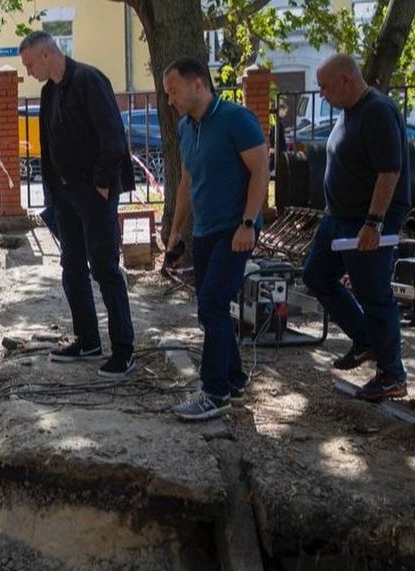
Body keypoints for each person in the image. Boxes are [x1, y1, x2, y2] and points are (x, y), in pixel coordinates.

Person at [19, 30, 137, 378]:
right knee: (72, 268)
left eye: (29, 64)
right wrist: (53, 197)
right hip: (66, 196)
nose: (28, 72)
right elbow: (50, 148)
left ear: (45, 55)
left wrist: (102, 184)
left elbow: (113, 137)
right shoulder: (49, 92)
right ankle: (88, 340)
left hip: (94, 193)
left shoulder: (88, 80)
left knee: (104, 269)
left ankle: (124, 350)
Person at [162, 57, 269, 421]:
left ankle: (214, 392)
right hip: (203, 232)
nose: (170, 99)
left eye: (173, 91)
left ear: (197, 85)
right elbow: (187, 182)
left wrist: (248, 223)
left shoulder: (236, 119)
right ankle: (235, 381)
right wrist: (176, 230)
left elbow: (260, 172)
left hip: (234, 230)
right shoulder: (185, 127)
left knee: (211, 305)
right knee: (213, 311)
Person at [302, 54, 409, 401]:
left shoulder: (377, 111)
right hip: (338, 217)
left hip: (366, 220)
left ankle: (392, 374)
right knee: (317, 276)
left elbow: (389, 172)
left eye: (325, 87)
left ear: (347, 80)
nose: (322, 94)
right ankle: (365, 340)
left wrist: (374, 223)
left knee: (374, 293)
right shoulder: (350, 111)